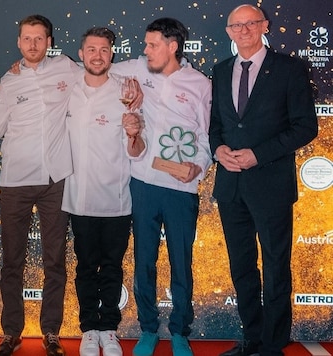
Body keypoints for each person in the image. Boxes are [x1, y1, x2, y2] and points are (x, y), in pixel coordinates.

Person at [210, 5, 318, 356]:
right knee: (242, 267)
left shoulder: (289, 69)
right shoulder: (221, 70)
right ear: (228, 31)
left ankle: (272, 345)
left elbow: (305, 127)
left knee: (275, 268)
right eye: (236, 25)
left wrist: (259, 153)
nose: (243, 30)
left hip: (270, 184)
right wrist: (219, 149)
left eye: (250, 23)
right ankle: (252, 339)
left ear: (264, 26)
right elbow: (216, 127)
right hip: (230, 186)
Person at [109, 17, 212, 356]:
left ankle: (181, 331)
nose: (146, 50)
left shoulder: (200, 83)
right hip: (143, 184)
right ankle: (149, 329)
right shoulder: (138, 68)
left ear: (173, 46)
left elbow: (206, 136)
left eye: (153, 44)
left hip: (182, 189)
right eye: (146, 43)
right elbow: (97, 67)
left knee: (181, 262)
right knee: (144, 261)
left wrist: (197, 165)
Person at [0, 14, 83, 356]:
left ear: (49, 41)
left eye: (38, 39)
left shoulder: (68, 69)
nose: (32, 45)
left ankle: (51, 332)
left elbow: (102, 75)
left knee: (55, 260)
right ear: (18, 42)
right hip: (15, 181)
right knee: (12, 261)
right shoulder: (8, 81)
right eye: (26, 39)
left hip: (56, 179)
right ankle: (11, 332)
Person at [62, 27, 144, 356]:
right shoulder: (66, 87)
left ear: (112, 54)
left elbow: (136, 151)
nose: (98, 55)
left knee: (112, 266)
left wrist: (134, 135)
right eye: (91, 49)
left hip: (117, 199)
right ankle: (88, 330)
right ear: (81, 54)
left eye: (105, 50)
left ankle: (109, 328)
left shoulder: (126, 90)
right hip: (78, 197)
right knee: (84, 266)